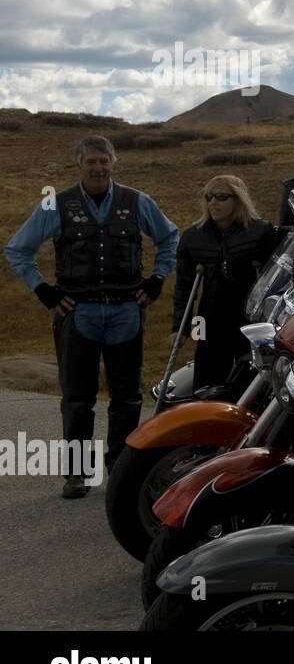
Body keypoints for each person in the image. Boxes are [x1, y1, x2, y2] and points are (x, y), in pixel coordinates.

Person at [4, 136, 178, 498]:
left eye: (104, 161)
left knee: (127, 397)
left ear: (114, 163)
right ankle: (76, 474)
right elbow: (18, 249)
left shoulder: (137, 201)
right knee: (77, 398)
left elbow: (170, 237)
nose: (98, 168)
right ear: (78, 165)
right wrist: (44, 291)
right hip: (77, 312)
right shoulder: (56, 204)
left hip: (126, 311)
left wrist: (158, 279)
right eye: (91, 162)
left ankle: (121, 470)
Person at [170, 176, 282, 390]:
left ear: (238, 200)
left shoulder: (260, 231)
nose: (213, 202)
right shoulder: (193, 236)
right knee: (206, 379)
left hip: (248, 319)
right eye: (209, 197)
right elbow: (184, 287)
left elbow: (275, 279)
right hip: (208, 320)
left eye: (221, 197)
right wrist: (179, 328)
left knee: (249, 381)